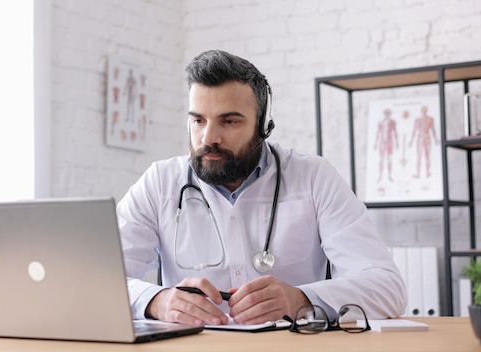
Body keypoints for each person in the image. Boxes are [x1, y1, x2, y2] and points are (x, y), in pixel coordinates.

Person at [116, 50, 406, 326]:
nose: (209, 137)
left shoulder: (314, 177)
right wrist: (156, 301)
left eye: (229, 121)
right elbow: (94, 282)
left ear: (263, 125)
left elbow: (387, 287)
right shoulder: (159, 183)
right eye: (198, 120)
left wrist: (301, 299)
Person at [408, 105, 439, 178]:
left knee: (427, 156)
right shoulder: (417, 120)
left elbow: (433, 129)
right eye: (423, 111)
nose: (424, 113)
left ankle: (427, 173)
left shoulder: (430, 119)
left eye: (425, 111)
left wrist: (435, 139)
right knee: (419, 156)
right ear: (421, 111)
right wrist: (411, 141)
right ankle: (418, 174)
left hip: (427, 138)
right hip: (419, 139)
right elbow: (414, 131)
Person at [374, 108, 399, 182]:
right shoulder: (381, 122)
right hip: (382, 142)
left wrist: (397, 141)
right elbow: (378, 133)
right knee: (381, 159)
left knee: (389, 159)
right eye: (386, 113)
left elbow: (395, 132)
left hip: (389, 142)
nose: (387, 115)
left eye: (388, 113)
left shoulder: (392, 122)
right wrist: (376, 143)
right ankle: (380, 176)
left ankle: (389, 175)